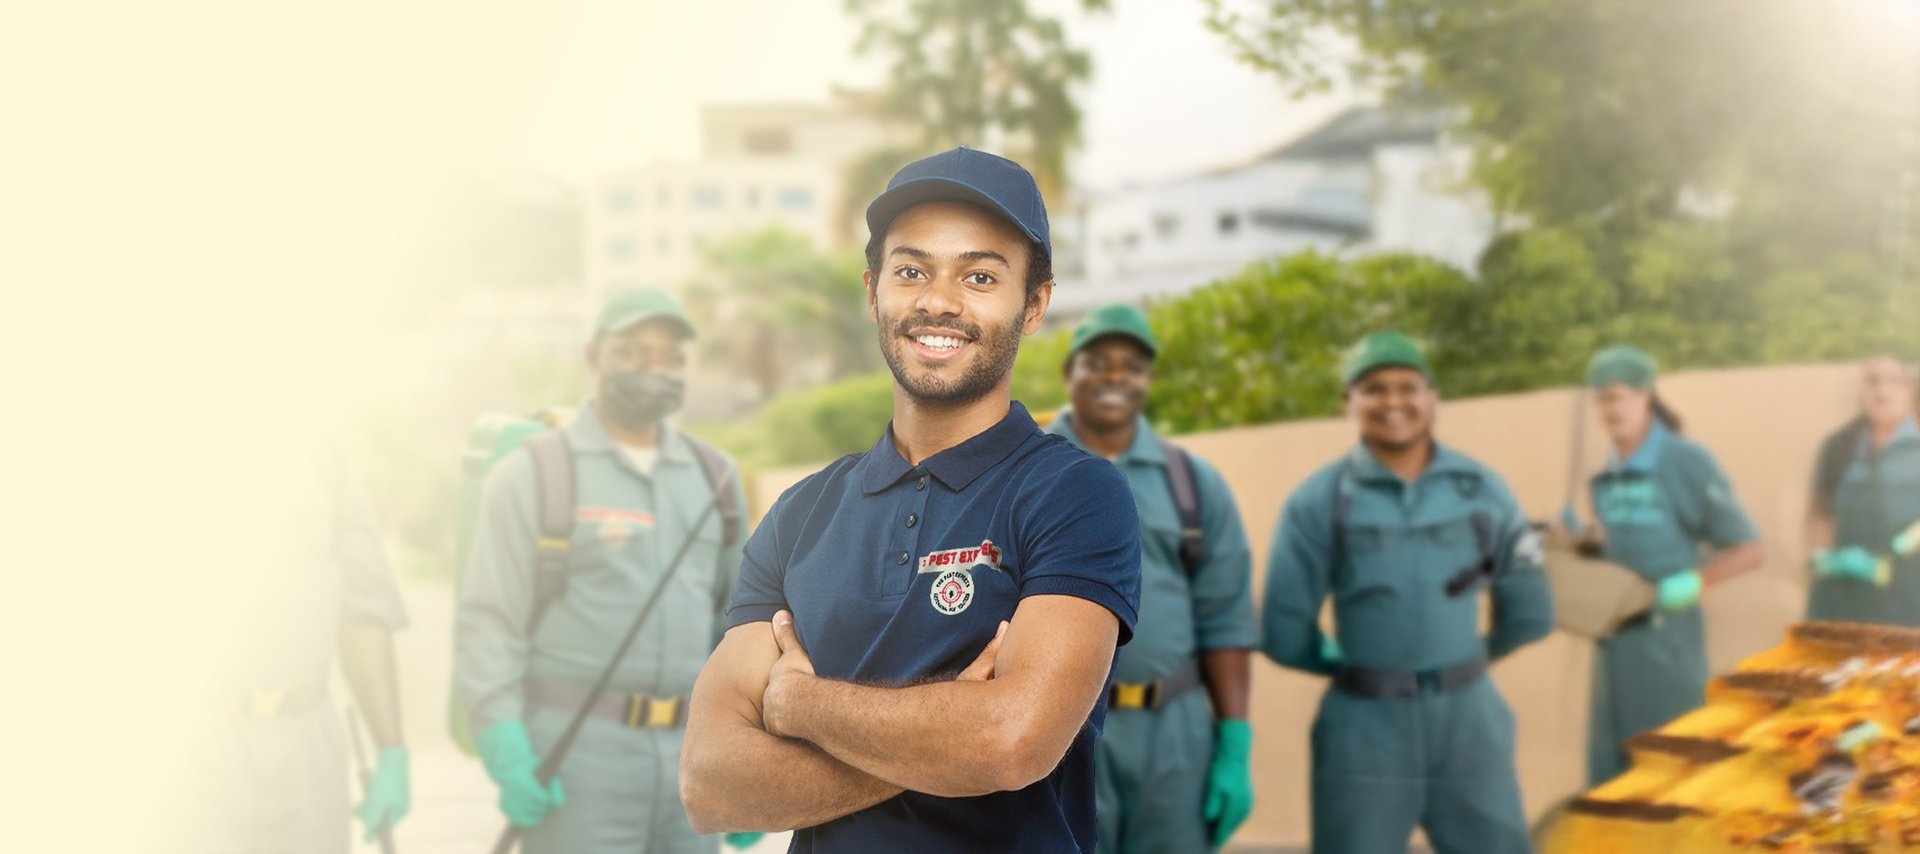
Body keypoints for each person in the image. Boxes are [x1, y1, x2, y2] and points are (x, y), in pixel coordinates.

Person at [679, 146, 1143, 853]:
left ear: (1035, 305)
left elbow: (1011, 743)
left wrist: (799, 704)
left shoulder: (1074, 494)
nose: (937, 301)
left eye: (980, 275)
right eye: (911, 271)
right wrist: (950, 727)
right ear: (873, 292)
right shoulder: (802, 515)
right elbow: (712, 786)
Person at [455, 287, 753, 853]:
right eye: (635, 352)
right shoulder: (533, 475)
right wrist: (502, 741)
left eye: (669, 357)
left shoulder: (715, 478)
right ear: (595, 358)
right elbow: (489, 621)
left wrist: (745, 752)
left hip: (690, 755)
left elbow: (738, 626)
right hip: (575, 755)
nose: (653, 368)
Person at [1262, 331, 1552, 854]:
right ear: (1348, 402)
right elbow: (1283, 632)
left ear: (1433, 397)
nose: (1393, 401)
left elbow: (1531, 609)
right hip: (1363, 735)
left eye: (1407, 386)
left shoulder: (1483, 488)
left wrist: (1462, 663)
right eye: (1374, 388)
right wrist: (1359, 669)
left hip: (1471, 726)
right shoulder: (1317, 501)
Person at [1045, 303, 1257, 853]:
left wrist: (1234, 746)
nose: (1116, 376)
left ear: (1148, 379)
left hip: (1175, 736)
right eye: (1098, 362)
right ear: (1071, 373)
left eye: (1132, 365)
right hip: (1057, 729)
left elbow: (1224, 617)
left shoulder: (1192, 482)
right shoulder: (1030, 471)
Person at [176, 447, 411, 853]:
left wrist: (392, 753)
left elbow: (363, 614)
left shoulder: (328, 459)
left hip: (306, 742)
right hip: (190, 740)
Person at [1581, 345, 1763, 786]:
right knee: (1613, 771)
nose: (1613, 408)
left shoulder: (1686, 461)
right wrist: (1585, 544)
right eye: (1604, 398)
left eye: (1623, 395)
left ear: (1647, 396)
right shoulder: (1605, 476)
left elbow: (1748, 548)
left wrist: (1693, 582)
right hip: (1614, 644)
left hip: (1668, 639)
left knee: (1672, 766)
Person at [1805, 354, 1920, 624]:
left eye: (1894, 382)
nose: (1882, 391)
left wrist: (1907, 544)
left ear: (1910, 390)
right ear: (1860, 392)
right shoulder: (1837, 447)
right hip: (1849, 594)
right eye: (1872, 382)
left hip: (1912, 594)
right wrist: (1823, 561)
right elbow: (1820, 513)